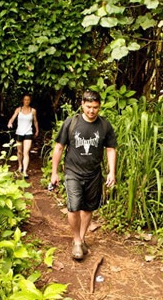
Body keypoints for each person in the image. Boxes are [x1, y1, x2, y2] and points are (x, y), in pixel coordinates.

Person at [50, 90, 117, 260]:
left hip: (94, 173)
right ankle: (77, 241)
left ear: (99, 106)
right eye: (88, 107)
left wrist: (112, 171)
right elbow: (59, 147)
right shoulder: (71, 123)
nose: (92, 111)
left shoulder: (104, 125)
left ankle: (81, 238)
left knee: (88, 208)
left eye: (95, 107)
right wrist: (54, 172)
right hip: (73, 171)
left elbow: (110, 149)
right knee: (74, 206)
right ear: (82, 105)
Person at [7, 94, 39, 179]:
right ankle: (20, 166)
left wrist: (37, 130)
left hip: (28, 133)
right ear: (23, 100)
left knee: (26, 152)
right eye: (25, 99)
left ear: (30, 101)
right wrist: (10, 123)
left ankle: (25, 171)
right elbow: (12, 118)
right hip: (19, 133)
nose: (26, 101)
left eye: (28, 100)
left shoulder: (33, 111)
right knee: (19, 152)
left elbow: (35, 121)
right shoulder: (18, 110)